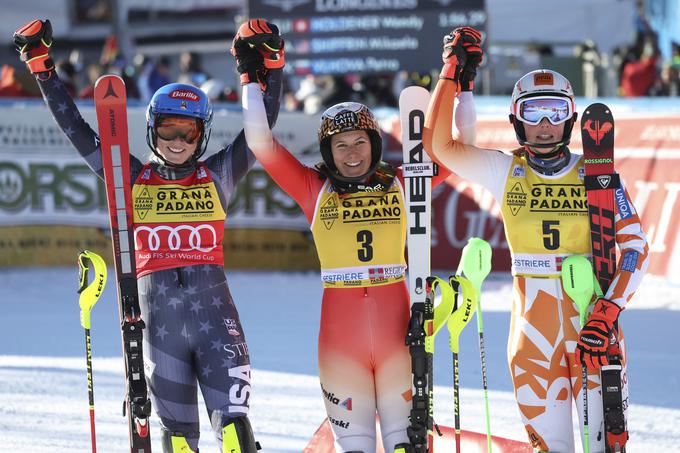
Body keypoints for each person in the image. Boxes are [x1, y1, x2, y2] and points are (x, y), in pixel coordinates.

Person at [13, 18, 284, 453]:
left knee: (236, 432)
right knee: (177, 442)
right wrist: (43, 70)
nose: (178, 141)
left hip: (216, 320)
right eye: (168, 130)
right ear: (153, 129)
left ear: (203, 133)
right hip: (159, 328)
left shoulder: (218, 174)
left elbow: (261, 125)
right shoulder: (129, 177)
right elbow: (78, 132)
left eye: (189, 132)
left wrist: (266, 68)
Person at [235, 20, 476, 453]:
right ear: (327, 152)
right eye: (340, 145)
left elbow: (461, 147)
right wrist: (250, 77)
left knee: (410, 448)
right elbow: (259, 141)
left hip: (400, 338)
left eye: (359, 142)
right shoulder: (315, 188)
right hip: (340, 343)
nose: (351, 153)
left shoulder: (406, 183)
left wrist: (462, 83)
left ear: (374, 144)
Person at [422, 27, 650, 452]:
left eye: (554, 110)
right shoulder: (505, 170)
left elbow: (636, 247)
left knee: (606, 448)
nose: (544, 124)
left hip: (593, 328)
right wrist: (452, 74)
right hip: (532, 337)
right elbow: (438, 146)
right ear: (516, 119)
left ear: (570, 117)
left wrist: (609, 310)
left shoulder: (597, 173)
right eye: (533, 112)